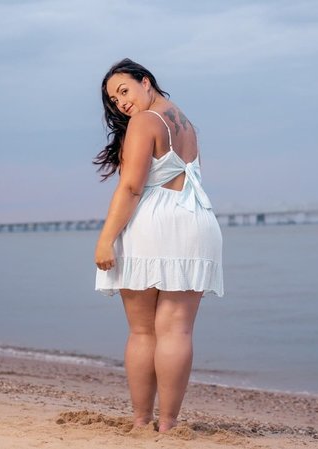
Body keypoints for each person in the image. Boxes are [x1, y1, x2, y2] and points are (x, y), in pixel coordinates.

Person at [93, 58, 224, 432]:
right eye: (114, 100)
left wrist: (106, 239)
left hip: (156, 223)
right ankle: (168, 425)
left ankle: (141, 422)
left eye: (124, 91)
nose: (122, 103)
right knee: (177, 331)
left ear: (146, 81)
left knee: (143, 332)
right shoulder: (185, 123)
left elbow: (131, 187)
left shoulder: (145, 121)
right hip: (197, 221)